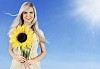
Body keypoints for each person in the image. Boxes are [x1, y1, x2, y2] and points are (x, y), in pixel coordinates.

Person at [8, 2, 47, 69]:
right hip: (17, 65)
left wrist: (33, 60)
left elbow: (44, 52)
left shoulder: (39, 32)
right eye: (25, 12)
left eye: (31, 12)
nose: (28, 15)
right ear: (21, 15)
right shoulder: (15, 31)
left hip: (34, 65)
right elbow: (10, 49)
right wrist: (16, 57)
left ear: (34, 14)